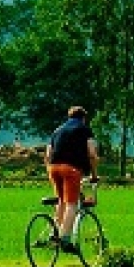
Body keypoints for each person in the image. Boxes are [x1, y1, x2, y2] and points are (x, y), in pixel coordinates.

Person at [44, 106, 99, 253]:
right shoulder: (84, 129)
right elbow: (92, 154)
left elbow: (48, 154)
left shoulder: (57, 130)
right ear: (84, 118)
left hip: (53, 167)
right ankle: (65, 238)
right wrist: (94, 175)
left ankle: (53, 233)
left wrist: (50, 170)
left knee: (61, 200)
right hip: (71, 169)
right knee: (72, 204)